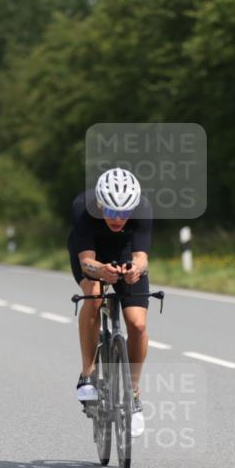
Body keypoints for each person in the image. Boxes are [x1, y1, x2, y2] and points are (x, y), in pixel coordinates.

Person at [69, 168, 152, 437]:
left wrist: (136, 270)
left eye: (124, 213)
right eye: (111, 211)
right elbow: (86, 262)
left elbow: (142, 257)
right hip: (92, 255)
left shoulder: (143, 208)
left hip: (125, 254)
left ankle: (133, 394)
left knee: (137, 324)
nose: (117, 218)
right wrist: (100, 271)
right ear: (99, 204)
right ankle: (88, 373)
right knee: (93, 295)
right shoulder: (83, 208)